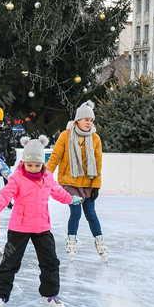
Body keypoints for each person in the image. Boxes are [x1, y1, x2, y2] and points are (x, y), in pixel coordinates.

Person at [0, 137, 73, 307]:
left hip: (42, 227)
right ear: (24, 162)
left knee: (50, 262)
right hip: (19, 228)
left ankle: (49, 296)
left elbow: (57, 191)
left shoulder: (47, 177)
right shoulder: (17, 178)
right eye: (30, 165)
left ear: (42, 163)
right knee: (10, 261)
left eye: (37, 165)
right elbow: (5, 194)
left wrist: (71, 199)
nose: (33, 168)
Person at [47, 100, 106, 259]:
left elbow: (98, 164)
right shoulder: (65, 136)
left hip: (87, 183)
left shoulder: (95, 139)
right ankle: (71, 240)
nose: (89, 122)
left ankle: (99, 241)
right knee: (76, 212)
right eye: (86, 119)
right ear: (77, 120)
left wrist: (96, 186)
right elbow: (55, 158)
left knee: (91, 214)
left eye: (91, 120)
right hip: (69, 182)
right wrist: (44, 176)